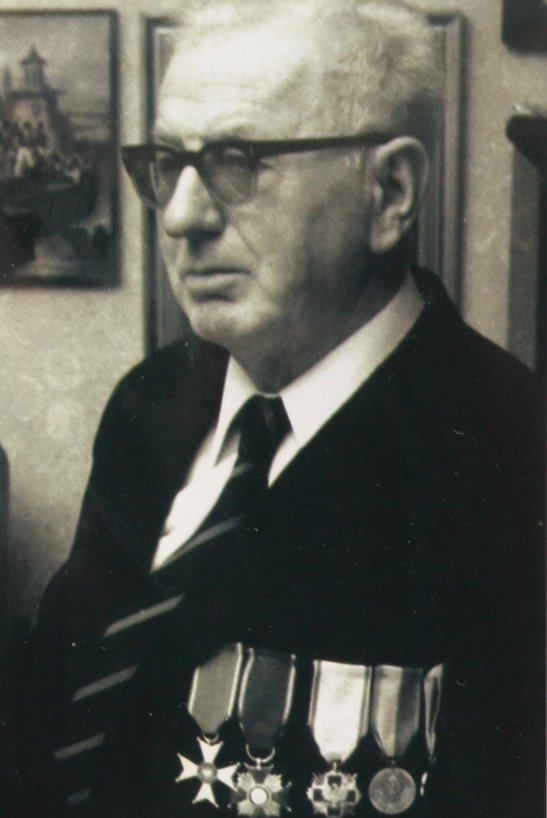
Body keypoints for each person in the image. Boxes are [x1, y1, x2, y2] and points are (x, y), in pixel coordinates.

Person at [5, 1, 544, 817]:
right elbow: (54, 713)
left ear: (389, 192)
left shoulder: (512, 456)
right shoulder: (148, 404)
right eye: (167, 163)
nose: (180, 216)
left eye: (237, 161)